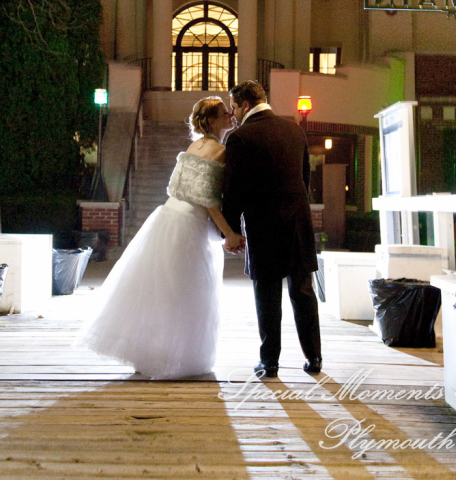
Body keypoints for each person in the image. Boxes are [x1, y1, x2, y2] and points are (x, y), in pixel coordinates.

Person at [75, 97, 244, 379]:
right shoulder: (220, 151)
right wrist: (230, 234)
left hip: (168, 217)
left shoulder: (194, 146)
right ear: (211, 120)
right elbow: (208, 200)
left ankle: (151, 354)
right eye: (223, 112)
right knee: (185, 293)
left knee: (162, 290)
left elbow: (182, 189)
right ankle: (176, 358)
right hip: (189, 225)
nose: (230, 115)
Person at [222, 80, 321, 379]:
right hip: (298, 222)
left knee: (267, 295)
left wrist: (229, 231)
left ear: (246, 105)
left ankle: (270, 362)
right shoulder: (294, 130)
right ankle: (314, 357)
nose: (232, 114)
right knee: (303, 291)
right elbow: (304, 178)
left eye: (234, 107)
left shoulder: (240, 137)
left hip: (263, 225)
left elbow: (234, 190)